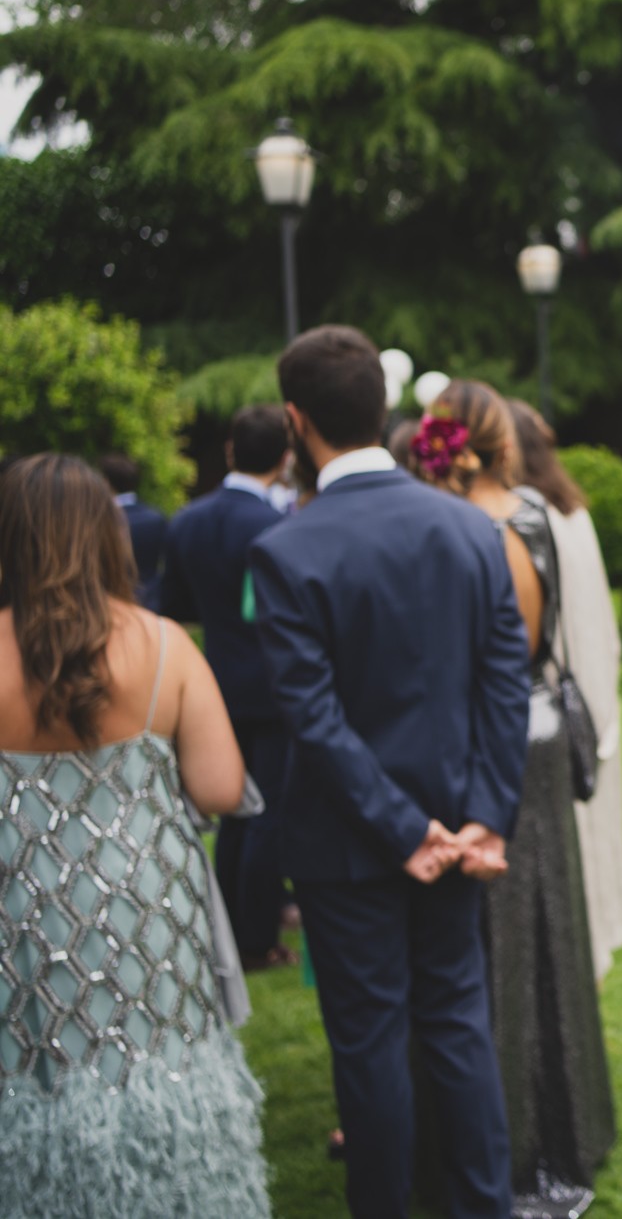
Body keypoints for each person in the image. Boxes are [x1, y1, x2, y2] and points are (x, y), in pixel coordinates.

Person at [250, 327, 529, 1219]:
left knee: (369, 1044)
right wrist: (482, 815)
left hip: (353, 842)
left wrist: (407, 828)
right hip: (454, 828)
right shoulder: (469, 528)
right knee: (457, 1026)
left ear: (297, 421)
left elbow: (313, 718)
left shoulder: (288, 549)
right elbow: (504, 681)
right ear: (382, 408)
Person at [0, 455, 270, 1217]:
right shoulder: (163, 645)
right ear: (108, 537)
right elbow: (220, 787)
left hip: (23, 904)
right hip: (143, 907)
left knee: (35, 1072)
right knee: (162, 1068)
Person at [412, 381, 616, 1216]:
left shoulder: (481, 528)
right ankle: (563, 1124)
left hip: (501, 745)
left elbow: (496, 656)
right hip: (533, 734)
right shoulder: (533, 509)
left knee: (507, 947)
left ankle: (521, 1144)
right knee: (542, 934)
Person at [157, 404, 295, 970]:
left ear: (232, 451)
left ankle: (229, 922)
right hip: (273, 684)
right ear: (286, 457)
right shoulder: (277, 527)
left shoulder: (186, 521)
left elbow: (174, 606)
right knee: (267, 814)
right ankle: (255, 938)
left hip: (213, 680)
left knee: (234, 811)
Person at [508, 398, 622, 982]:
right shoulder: (572, 508)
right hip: (591, 688)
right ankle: (600, 927)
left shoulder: (529, 519)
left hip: (557, 693)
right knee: (595, 814)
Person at [99, 452, 167, 609]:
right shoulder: (157, 518)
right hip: (152, 601)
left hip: (114, 604)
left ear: (105, 482)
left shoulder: (102, 521)